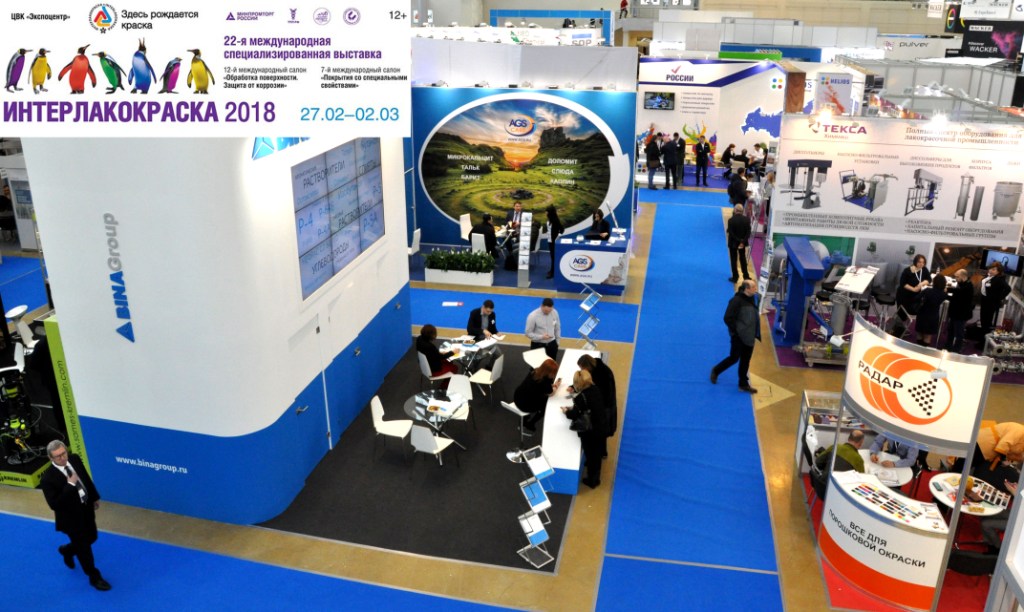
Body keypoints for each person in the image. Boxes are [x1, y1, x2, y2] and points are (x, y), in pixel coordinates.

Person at [40, 440, 112, 591]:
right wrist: (70, 485)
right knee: (84, 548)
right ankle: (94, 577)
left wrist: (94, 497)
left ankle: (67, 550)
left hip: (86, 508)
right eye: (58, 456)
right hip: (70, 519)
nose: (63, 458)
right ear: (50, 458)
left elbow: (86, 478)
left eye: (64, 453)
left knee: (92, 537)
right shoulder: (47, 479)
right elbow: (55, 504)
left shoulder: (74, 459)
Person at [710, 279, 760, 393]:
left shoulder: (753, 298)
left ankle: (743, 384)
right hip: (738, 336)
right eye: (753, 287)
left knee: (745, 360)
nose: (755, 289)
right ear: (747, 289)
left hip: (750, 336)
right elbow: (727, 318)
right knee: (734, 358)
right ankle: (716, 370)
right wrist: (736, 331)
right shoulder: (736, 301)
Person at [561, 369, 607, 488]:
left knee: (591, 455)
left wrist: (566, 411)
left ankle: (593, 480)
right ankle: (595, 468)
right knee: (596, 452)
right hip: (601, 425)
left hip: (590, 431)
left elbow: (573, 415)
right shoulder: (596, 389)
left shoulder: (581, 398)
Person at [578, 354, 617, 457]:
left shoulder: (600, 376)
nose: (581, 370)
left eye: (582, 368)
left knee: (601, 431)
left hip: (605, 406)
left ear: (587, 366)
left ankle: (601, 452)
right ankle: (602, 452)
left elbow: (598, 394)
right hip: (605, 404)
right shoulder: (599, 369)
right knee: (602, 431)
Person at [811, 430, 866, 501]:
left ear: (849, 439)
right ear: (861, 443)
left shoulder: (834, 447)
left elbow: (818, 462)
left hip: (820, 486)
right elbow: (861, 482)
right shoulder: (858, 460)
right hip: (837, 495)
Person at [513, 358, 561, 432]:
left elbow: (538, 387)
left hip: (517, 397)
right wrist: (556, 385)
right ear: (550, 373)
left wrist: (550, 386)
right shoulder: (545, 382)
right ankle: (531, 424)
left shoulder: (534, 371)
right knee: (545, 406)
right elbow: (551, 393)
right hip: (525, 406)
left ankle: (526, 418)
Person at [892, 254, 931, 338]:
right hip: (904, 295)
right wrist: (914, 289)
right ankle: (897, 330)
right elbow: (903, 283)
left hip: (916, 296)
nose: (921, 264)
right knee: (902, 313)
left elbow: (929, 279)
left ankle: (902, 328)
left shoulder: (924, 269)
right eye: (919, 262)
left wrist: (921, 284)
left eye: (923, 262)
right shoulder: (907, 270)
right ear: (915, 262)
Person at [944, 269, 973, 353]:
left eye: (957, 277)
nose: (955, 278)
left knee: (959, 333)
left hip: (961, 314)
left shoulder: (968, 287)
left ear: (963, 277)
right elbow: (956, 292)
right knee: (951, 330)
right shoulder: (962, 284)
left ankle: (957, 349)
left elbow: (957, 295)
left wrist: (946, 293)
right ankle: (948, 346)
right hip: (955, 312)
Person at [979, 261, 1011, 338]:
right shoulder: (989, 277)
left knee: (986, 323)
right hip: (984, 301)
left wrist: (999, 298)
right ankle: (983, 339)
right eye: (990, 269)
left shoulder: (999, 279)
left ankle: (984, 341)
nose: (990, 270)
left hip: (991, 304)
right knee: (983, 321)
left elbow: (1008, 289)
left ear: (998, 272)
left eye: (993, 270)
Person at [914, 274, 946, 347]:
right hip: (933, 316)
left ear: (934, 282)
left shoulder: (927, 291)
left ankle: (917, 347)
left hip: (922, 314)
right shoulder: (944, 294)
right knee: (928, 336)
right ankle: (924, 350)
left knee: (919, 333)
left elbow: (917, 298)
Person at [726, 204, 752, 283]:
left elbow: (731, 233)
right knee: (743, 259)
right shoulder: (747, 220)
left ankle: (735, 277)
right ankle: (746, 276)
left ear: (735, 210)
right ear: (742, 211)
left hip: (733, 243)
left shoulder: (731, 220)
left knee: (733, 260)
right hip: (742, 244)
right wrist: (742, 242)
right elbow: (748, 232)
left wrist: (738, 240)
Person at [545, 205, 564, 279]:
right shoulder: (549, 219)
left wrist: (557, 237)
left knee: (553, 257)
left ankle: (552, 272)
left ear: (550, 212)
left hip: (553, 241)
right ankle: (552, 270)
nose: (545, 213)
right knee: (552, 256)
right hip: (549, 240)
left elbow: (562, 230)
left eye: (547, 211)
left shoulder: (555, 220)